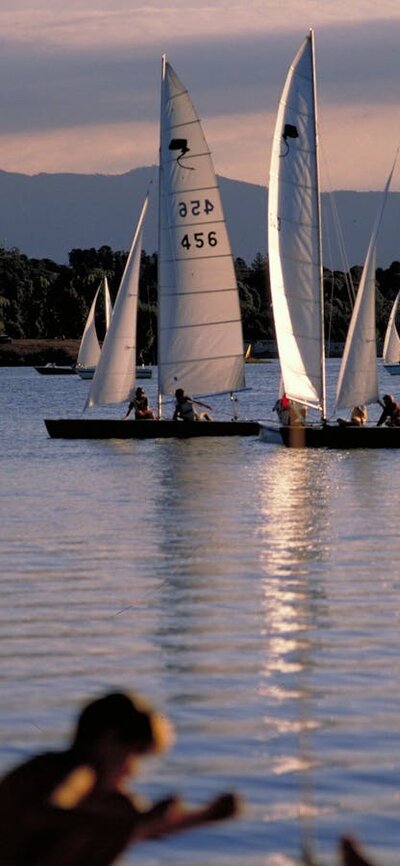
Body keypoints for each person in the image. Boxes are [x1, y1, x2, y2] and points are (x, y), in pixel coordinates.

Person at [0, 691, 240, 866]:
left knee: (122, 808)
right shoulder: (77, 771)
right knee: (121, 810)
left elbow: (143, 828)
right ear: (108, 740)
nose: (132, 770)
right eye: (133, 755)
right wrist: (129, 823)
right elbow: (37, 813)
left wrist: (205, 817)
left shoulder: (87, 782)